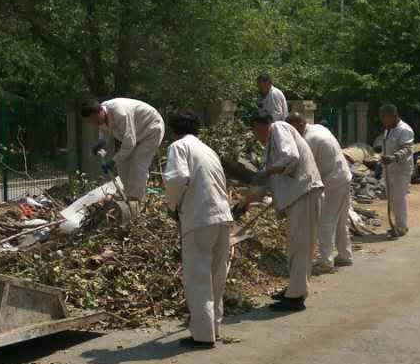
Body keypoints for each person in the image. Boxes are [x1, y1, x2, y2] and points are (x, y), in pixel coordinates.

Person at [162, 111, 234, 348]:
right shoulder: (208, 149)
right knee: (216, 277)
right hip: (222, 216)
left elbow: (176, 179)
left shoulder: (178, 147)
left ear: (174, 130)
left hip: (199, 217)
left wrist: (172, 205)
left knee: (198, 278)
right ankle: (214, 328)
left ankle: (203, 336)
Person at [249, 111, 323, 311]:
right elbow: (272, 180)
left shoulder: (279, 128)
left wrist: (268, 171)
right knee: (296, 246)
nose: (256, 136)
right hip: (299, 197)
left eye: (255, 131)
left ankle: (296, 296)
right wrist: (247, 202)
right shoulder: (273, 142)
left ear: (261, 126)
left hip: (305, 193)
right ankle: (295, 288)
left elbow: (290, 157)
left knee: (300, 247)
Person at [287, 113, 353, 274]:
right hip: (343, 175)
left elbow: (304, 169)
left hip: (332, 181)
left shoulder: (308, 141)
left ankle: (325, 262)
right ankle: (345, 255)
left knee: (325, 221)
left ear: (299, 125)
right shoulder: (318, 128)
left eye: (291, 129)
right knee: (341, 219)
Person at [80, 97, 165, 203]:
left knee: (138, 163)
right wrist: (101, 142)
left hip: (151, 129)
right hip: (136, 134)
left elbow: (129, 144)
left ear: (101, 110)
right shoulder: (101, 115)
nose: (94, 123)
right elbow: (105, 130)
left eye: (95, 120)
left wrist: (113, 161)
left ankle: (137, 200)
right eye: (91, 121)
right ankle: (129, 196)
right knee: (122, 165)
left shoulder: (120, 113)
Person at [374, 104, 414, 238]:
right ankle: (397, 225)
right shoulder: (389, 130)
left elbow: (407, 149)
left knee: (399, 199)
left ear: (392, 116)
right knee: (392, 199)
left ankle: (401, 227)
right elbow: (387, 147)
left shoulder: (405, 130)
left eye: (384, 118)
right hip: (389, 169)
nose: (382, 120)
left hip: (401, 170)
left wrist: (394, 157)